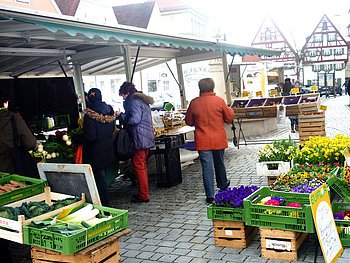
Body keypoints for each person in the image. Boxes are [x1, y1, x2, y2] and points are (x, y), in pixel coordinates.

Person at [0, 90, 38, 263]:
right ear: (5, 102)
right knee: (18, 209)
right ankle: (23, 248)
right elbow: (31, 143)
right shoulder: (13, 118)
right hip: (13, 173)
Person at [185, 78, 234, 204]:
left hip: (203, 140)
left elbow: (188, 121)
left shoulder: (194, 103)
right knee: (220, 163)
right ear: (213, 87)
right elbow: (229, 118)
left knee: (206, 167)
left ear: (200, 88)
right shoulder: (219, 101)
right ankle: (223, 185)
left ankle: (210, 195)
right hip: (218, 138)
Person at [115, 81, 154, 203]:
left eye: (122, 95)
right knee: (141, 165)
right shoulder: (142, 100)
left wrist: (121, 116)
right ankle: (143, 192)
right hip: (146, 137)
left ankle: (143, 195)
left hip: (139, 138)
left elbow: (134, 119)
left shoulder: (132, 101)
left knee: (139, 166)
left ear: (126, 93)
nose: (123, 98)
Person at [83, 88, 115, 206]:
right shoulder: (109, 111)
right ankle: (104, 201)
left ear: (89, 99)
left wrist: (78, 138)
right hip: (107, 149)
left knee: (99, 180)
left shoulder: (89, 115)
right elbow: (112, 130)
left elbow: (90, 137)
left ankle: (105, 205)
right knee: (103, 177)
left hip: (96, 153)